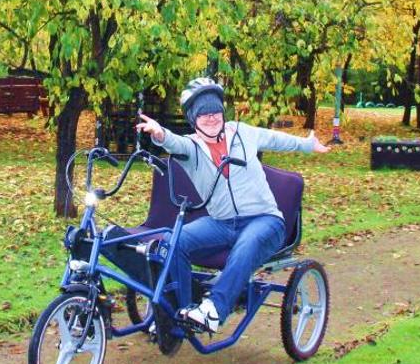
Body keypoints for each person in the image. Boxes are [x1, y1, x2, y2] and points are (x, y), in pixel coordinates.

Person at [135, 77, 329, 332]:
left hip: (265, 220)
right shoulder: (192, 148)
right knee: (173, 242)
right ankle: (180, 313)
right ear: (194, 119)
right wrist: (160, 134)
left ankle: (214, 310)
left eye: (215, 112)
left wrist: (307, 144)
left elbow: (276, 139)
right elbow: (174, 142)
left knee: (247, 243)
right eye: (204, 114)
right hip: (221, 223)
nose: (212, 118)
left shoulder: (242, 132)